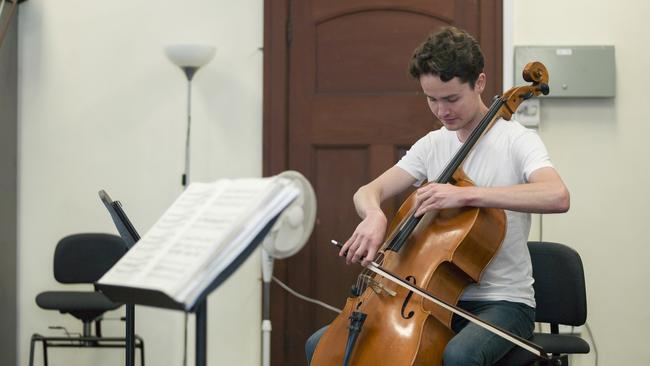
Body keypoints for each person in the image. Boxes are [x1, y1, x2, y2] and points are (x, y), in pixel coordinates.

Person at [305, 26, 570, 366]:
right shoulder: (433, 145)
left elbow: (556, 196)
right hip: (427, 297)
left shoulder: (516, 141)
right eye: (431, 99)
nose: (442, 111)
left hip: (502, 303)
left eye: (451, 99)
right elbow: (369, 191)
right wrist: (374, 214)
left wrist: (469, 195)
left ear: (480, 83)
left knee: (459, 357)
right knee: (324, 344)